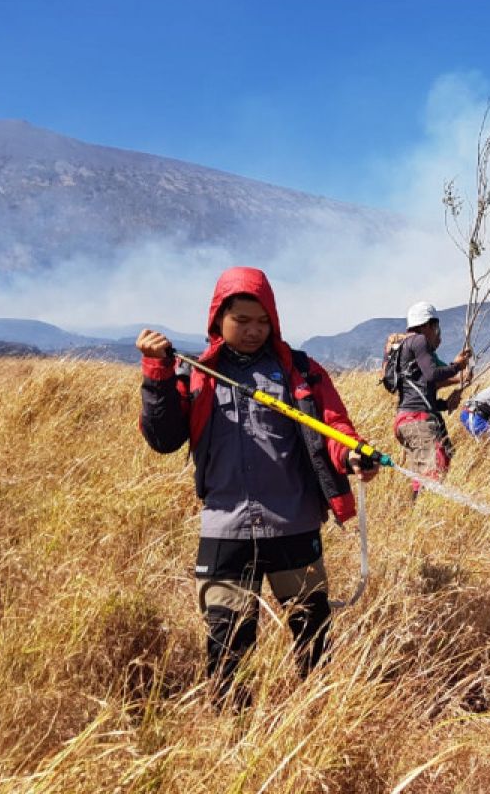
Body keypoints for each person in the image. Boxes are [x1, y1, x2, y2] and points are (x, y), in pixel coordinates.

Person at [135, 266, 378, 705]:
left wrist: (353, 454)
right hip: (224, 529)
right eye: (241, 320)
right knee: (228, 644)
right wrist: (156, 372)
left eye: (262, 321)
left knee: (313, 636)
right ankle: (234, 736)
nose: (253, 331)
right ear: (217, 320)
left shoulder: (300, 372)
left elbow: (334, 427)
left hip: (294, 523)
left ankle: (317, 722)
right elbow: (163, 439)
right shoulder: (193, 375)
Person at [392, 301, 471, 495]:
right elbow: (431, 375)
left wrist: (444, 404)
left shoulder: (404, 346)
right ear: (426, 324)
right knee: (433, 474)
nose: (436, 332)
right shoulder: (419, 340)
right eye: (435, 326)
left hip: (409, 420)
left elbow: (419, 389)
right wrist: (457, 366)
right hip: (417, 421)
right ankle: (420, 518)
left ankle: (419, 517)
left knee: (426, 475)